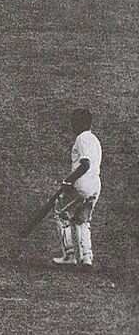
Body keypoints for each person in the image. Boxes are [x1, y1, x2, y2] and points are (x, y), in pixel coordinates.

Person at [52, 108, 102, 270]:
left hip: (82, 184)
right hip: (95, 185)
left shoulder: (82, 138)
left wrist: (68, 181)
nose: (72, 125)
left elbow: (85, 164)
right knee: (82, 219)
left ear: (81, 123)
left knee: (61, 213)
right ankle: (87, 257)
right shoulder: (95, 140)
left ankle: (70, 254)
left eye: (74, 121)